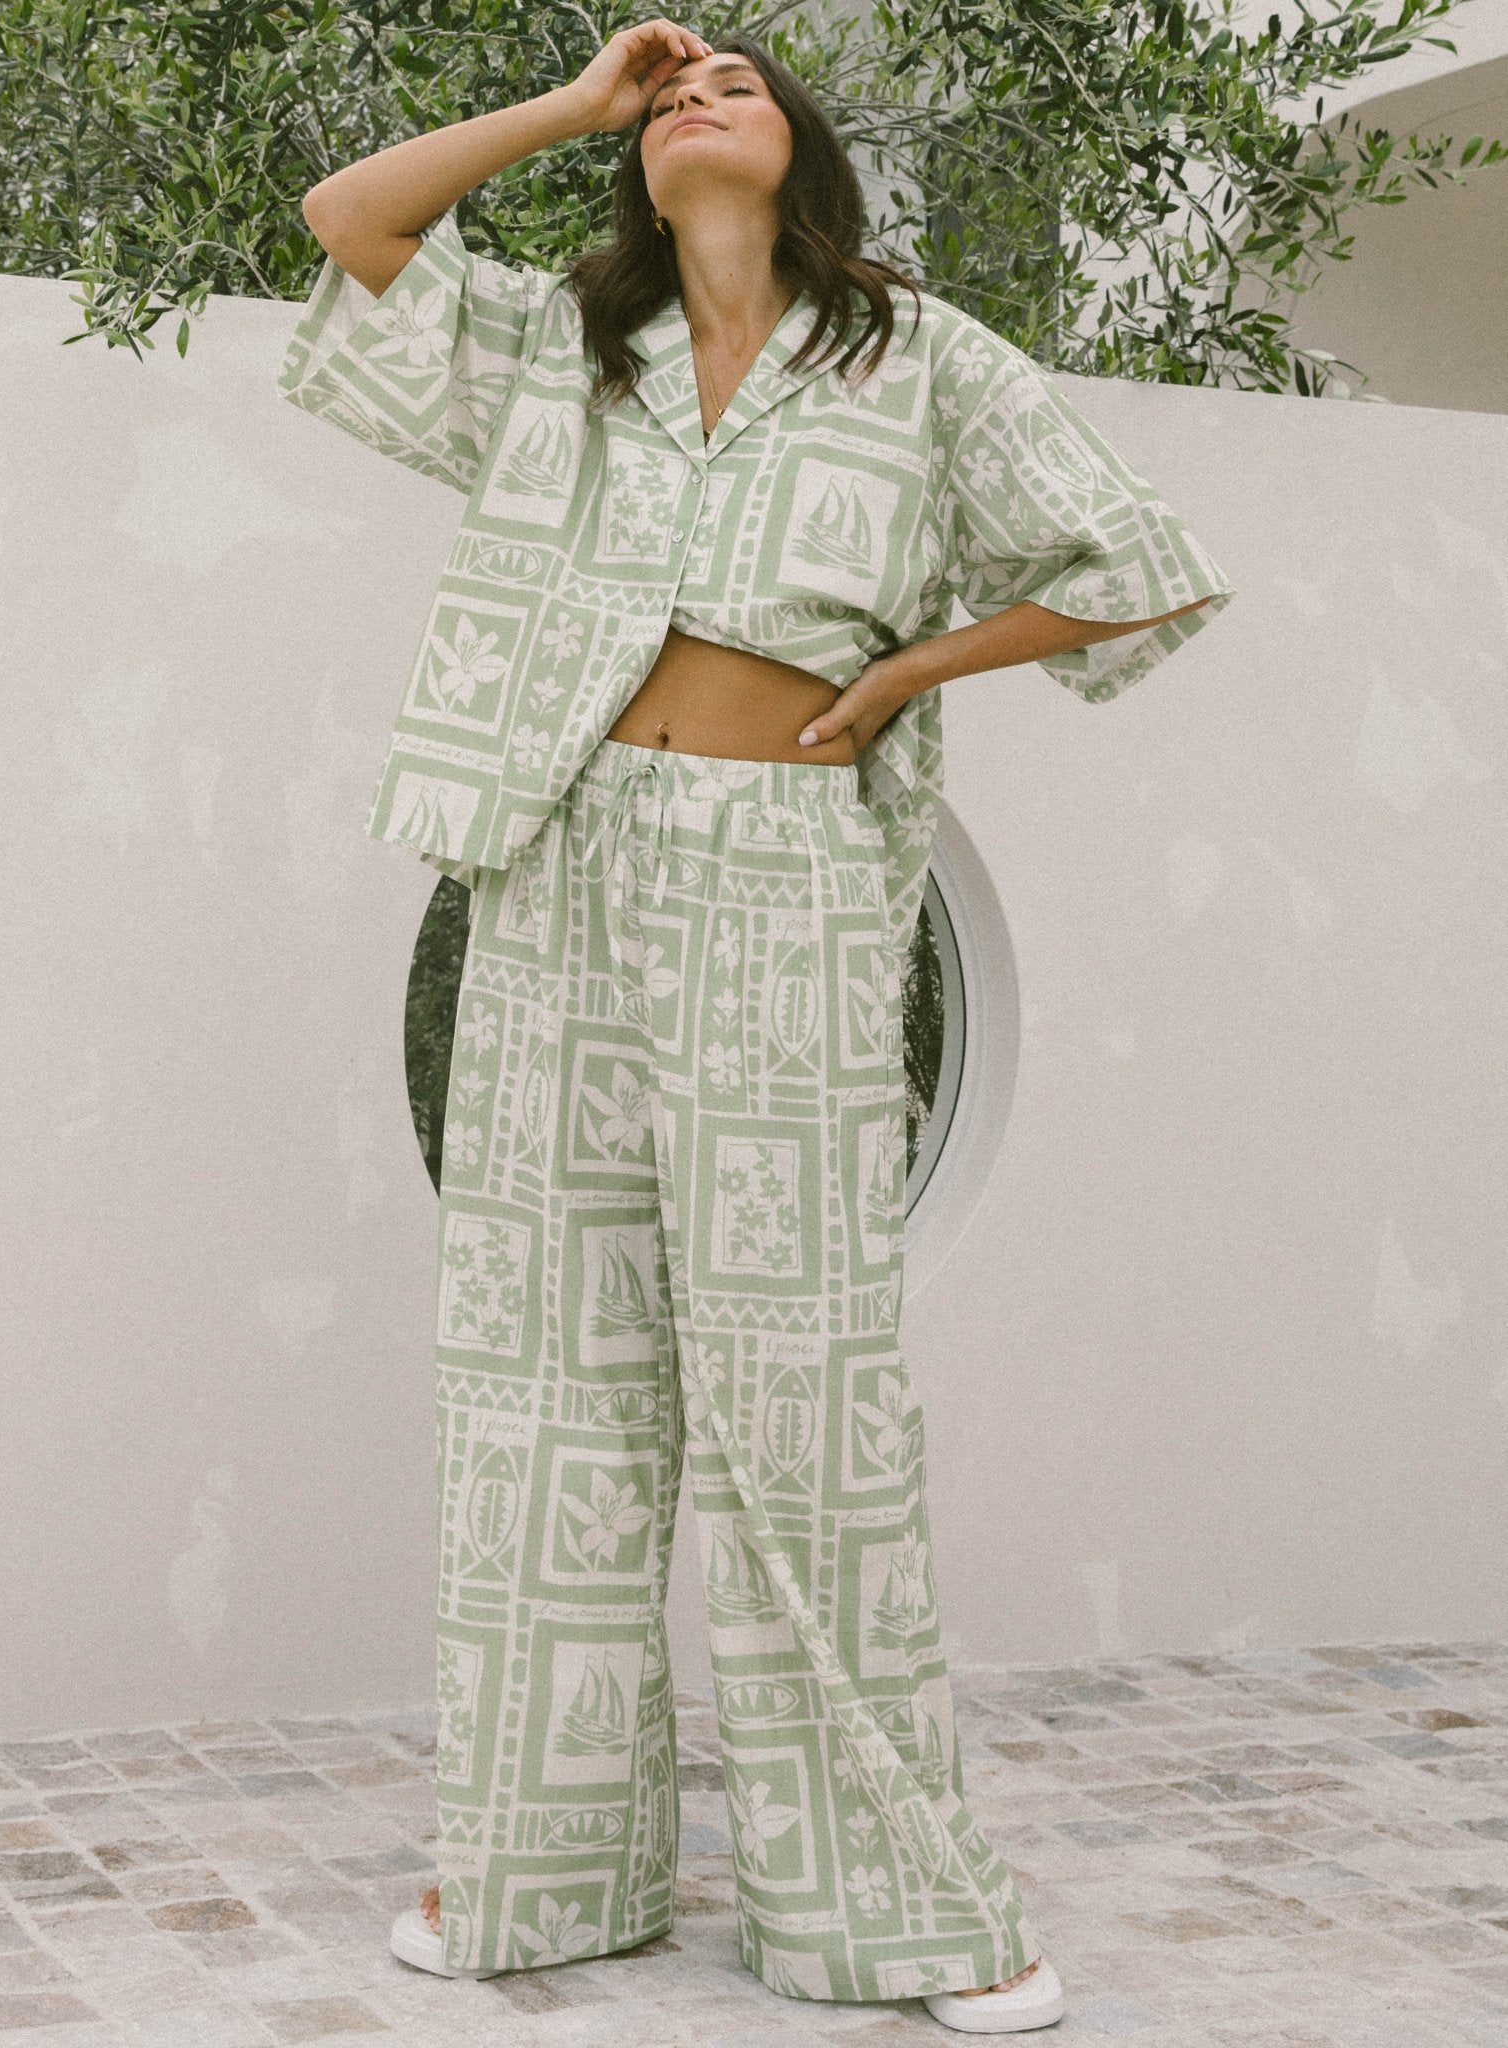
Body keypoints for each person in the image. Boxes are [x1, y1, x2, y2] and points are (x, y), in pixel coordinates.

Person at [280, 18, 1234, 2033]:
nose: (698, 96)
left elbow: (1137, 567)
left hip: (780, 872)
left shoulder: (920, 355)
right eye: (672, 94)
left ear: (799, 146)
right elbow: (350, 223)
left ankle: (896, 1898)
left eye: (738, 82)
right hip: (553, 861)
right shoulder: (567, 352)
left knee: (804, 1390)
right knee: (543, 1386)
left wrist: (905, 675)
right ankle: (538, 1865)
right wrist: (573, 101)